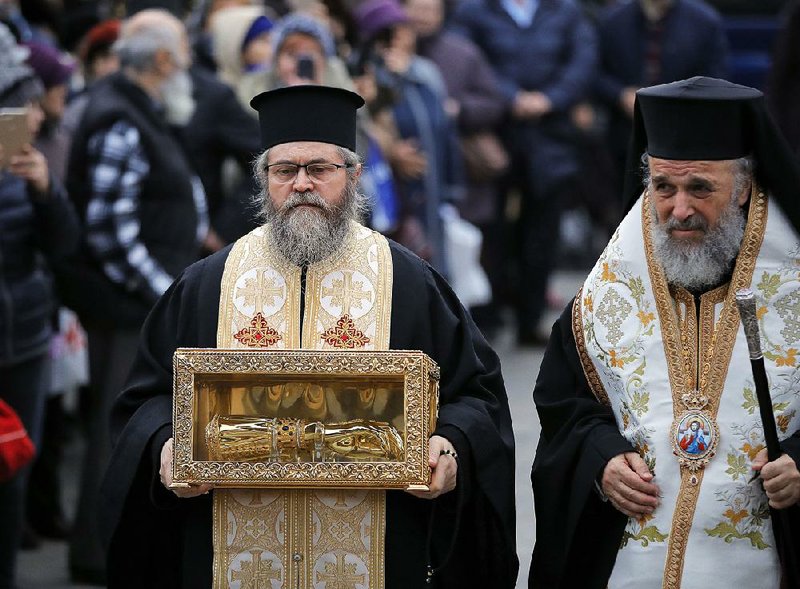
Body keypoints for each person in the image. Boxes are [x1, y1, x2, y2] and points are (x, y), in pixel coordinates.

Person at [99, 84, 517, 589]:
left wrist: (448, 448)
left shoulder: (410, 282)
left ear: (354, 175)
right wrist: (166, 449)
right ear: (264, 179)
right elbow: (144, 401)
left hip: (378, 553)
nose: (301, 185)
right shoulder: (206, 284)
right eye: (284, 171)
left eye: (319, 169)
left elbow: (475, 395)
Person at [529, 76, 800, 588]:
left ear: (743, 188)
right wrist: (601, 458)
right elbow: (565, 409)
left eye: (700, 188)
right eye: (663, 187)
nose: (679, 210)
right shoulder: (606, 294)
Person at [62, 9, 208, 583]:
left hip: (143, 304)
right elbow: (109, 232)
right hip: (130, 308)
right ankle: (99, 553)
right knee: (116, 431)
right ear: (164, 61)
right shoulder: (119, 116)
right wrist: (168, 294)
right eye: (184, 54)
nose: (192, 64)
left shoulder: (138, 107)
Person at [451, 0, 597, 346]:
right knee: (491, 232)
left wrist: (551, 98)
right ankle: (488, 317)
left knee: (541, 235)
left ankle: (530, 320)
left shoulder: (566, 11)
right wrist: (511, 97)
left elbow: (583, 62)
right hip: (492, 142)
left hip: (553, 139)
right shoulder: (474, 11)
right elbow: (466, 60)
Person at [0, 22, 80, 588]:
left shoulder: (31, 166)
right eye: (16, 107)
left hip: (23, 338)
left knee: (13, 470)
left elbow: (65, 246)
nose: (31, 118)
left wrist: (47, 192)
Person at [594, 0, 728, 197]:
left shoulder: (705, 21)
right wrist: (620, 94)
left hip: (685, 135)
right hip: (624, 132)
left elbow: (716, 79)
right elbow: (594, 73)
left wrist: (670, 100)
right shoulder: (612, 20)